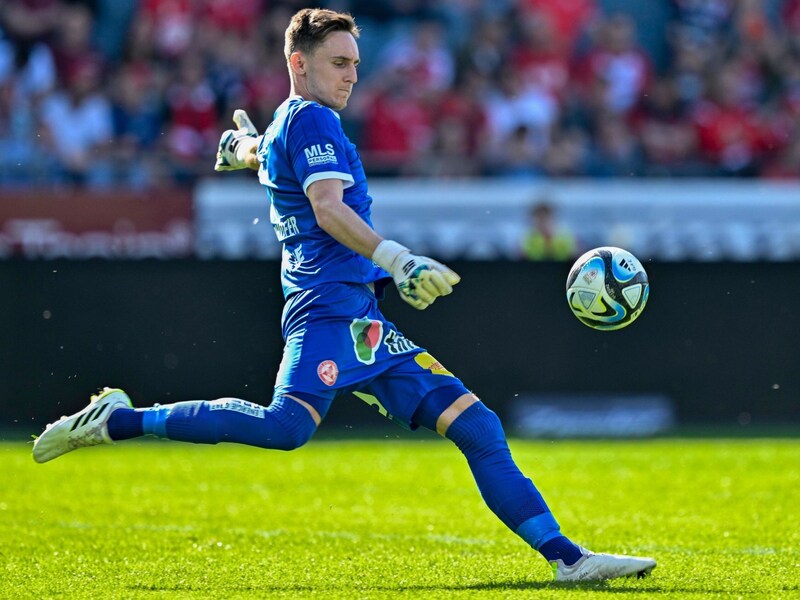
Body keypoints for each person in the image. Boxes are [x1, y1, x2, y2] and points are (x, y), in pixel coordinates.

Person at [32, 8, 656, 583]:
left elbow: (265, 152)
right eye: (339, 62)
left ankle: (568, 560)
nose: (353, 74)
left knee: (478, 426)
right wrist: (398, 259)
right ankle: (118, 419)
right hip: (326, 312)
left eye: (356, 62)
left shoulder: (287, 122)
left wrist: (239, 151)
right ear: (299, 63)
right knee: (286, 428)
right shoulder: (312, 119)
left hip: (361, 316)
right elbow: (328, 208)